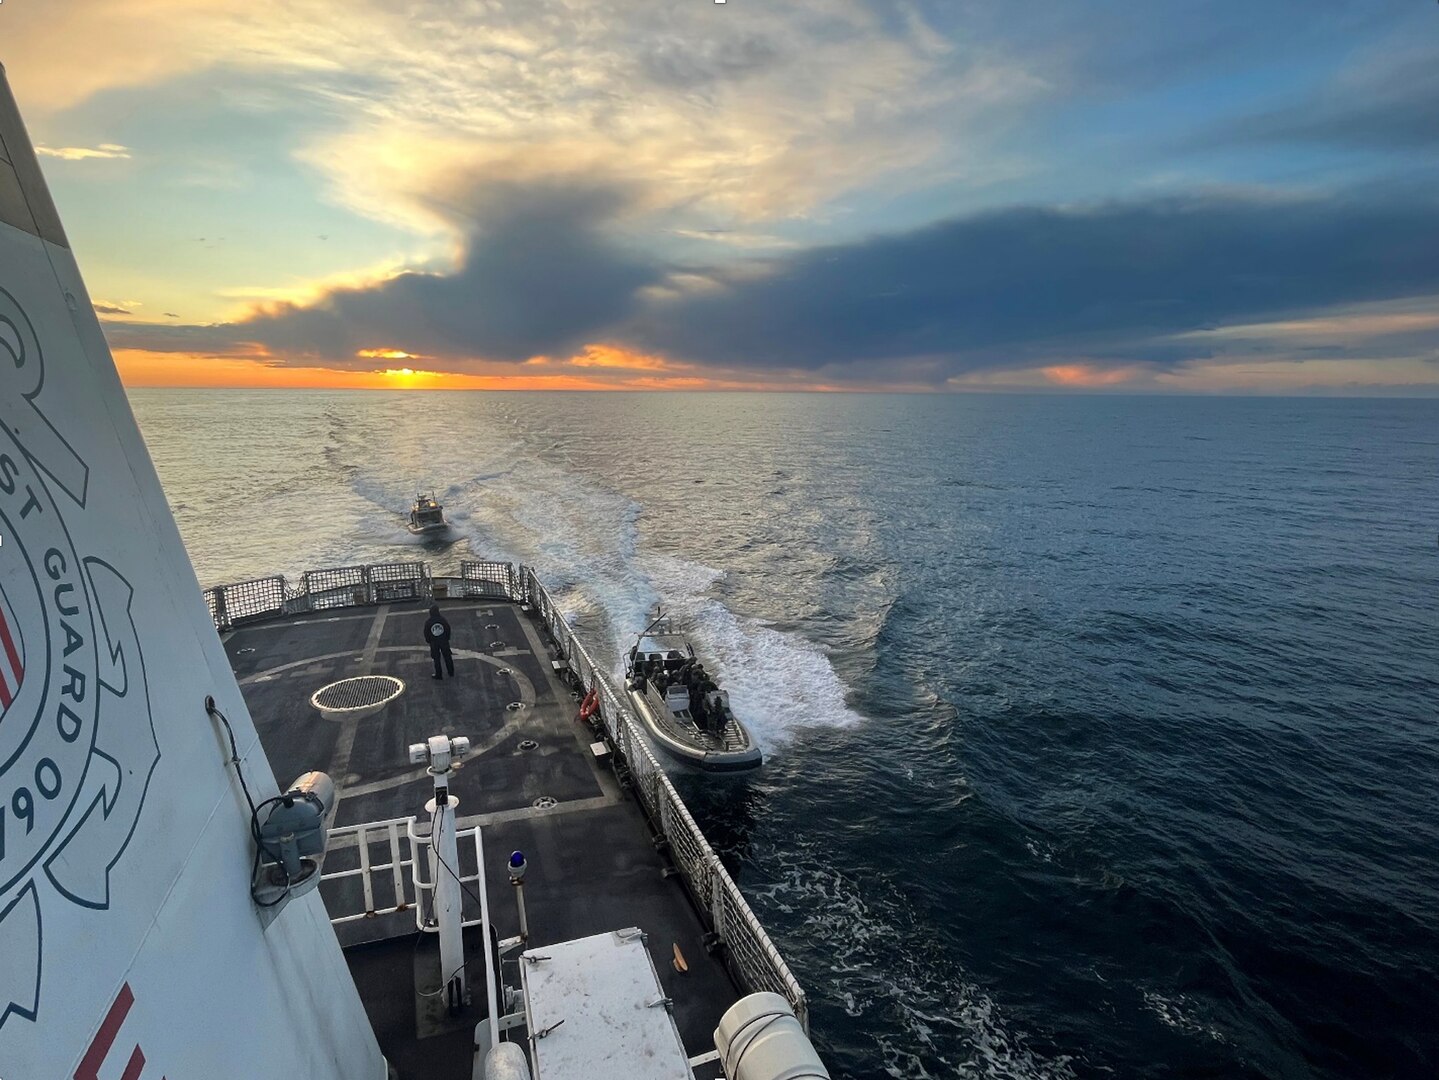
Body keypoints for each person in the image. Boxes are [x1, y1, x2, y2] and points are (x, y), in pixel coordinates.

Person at [424, 604, 455, 680]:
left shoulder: (428, 622)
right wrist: (447, 638)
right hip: (443, 641)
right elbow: (448, 628)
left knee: (436, 659)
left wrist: (429, 640)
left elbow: (426, 632)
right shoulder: (442, 620)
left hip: (434, 642)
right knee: (447, 657)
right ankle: (451, 672)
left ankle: (439, 674)